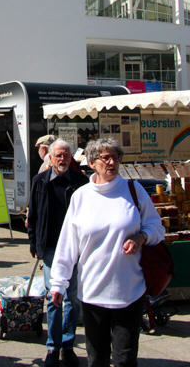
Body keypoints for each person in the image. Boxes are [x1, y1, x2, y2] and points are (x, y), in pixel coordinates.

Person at [50, 138, 165, 367]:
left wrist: (142, 237)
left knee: (124, 360)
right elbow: (67, 245)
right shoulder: (81, 197)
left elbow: (157, 228)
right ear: (92, 163)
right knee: (97, 360)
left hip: (129, 292)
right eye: (106, 158)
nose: (112, 162)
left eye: (116, 157)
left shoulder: (133, 190)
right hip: (93, 294)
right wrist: (58, 284)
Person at [28, 139, 88, 367]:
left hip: (75, 249)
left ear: (71, 157)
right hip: (51, 248)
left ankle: (67, 345)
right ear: (50, 158)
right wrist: (34, 244)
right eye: (58, 156)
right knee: (55, 298)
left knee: (72, 298)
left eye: (66, 155)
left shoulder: (81, 182)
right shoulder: (40, 181)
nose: (62, 159)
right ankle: (53, 348)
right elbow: (32, 214)